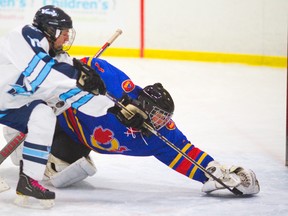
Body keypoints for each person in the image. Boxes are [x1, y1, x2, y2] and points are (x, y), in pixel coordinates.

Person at [10, 56, 259, 196]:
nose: (163, 122)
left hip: (76, 138)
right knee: (35, 112)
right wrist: (80, 73)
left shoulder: (154, 136)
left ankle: (40, 155)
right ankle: (22, 137)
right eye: (159, 116)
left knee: (70, 169)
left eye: (165, 117)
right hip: (52, 113)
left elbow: (184, 151)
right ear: (147, 105)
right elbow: (90, 63)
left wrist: (212, 171)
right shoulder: (121, 88)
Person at [0, 5, 106, 208]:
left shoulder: (59, 59)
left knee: (43, 115)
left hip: (12, 105)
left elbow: (70, 92)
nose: (67, 38)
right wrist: (78, 77)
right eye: (64, 33)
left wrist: (110, 107)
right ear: (51, 30)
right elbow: (41, 71)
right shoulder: (24, 36)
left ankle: (28, 181)